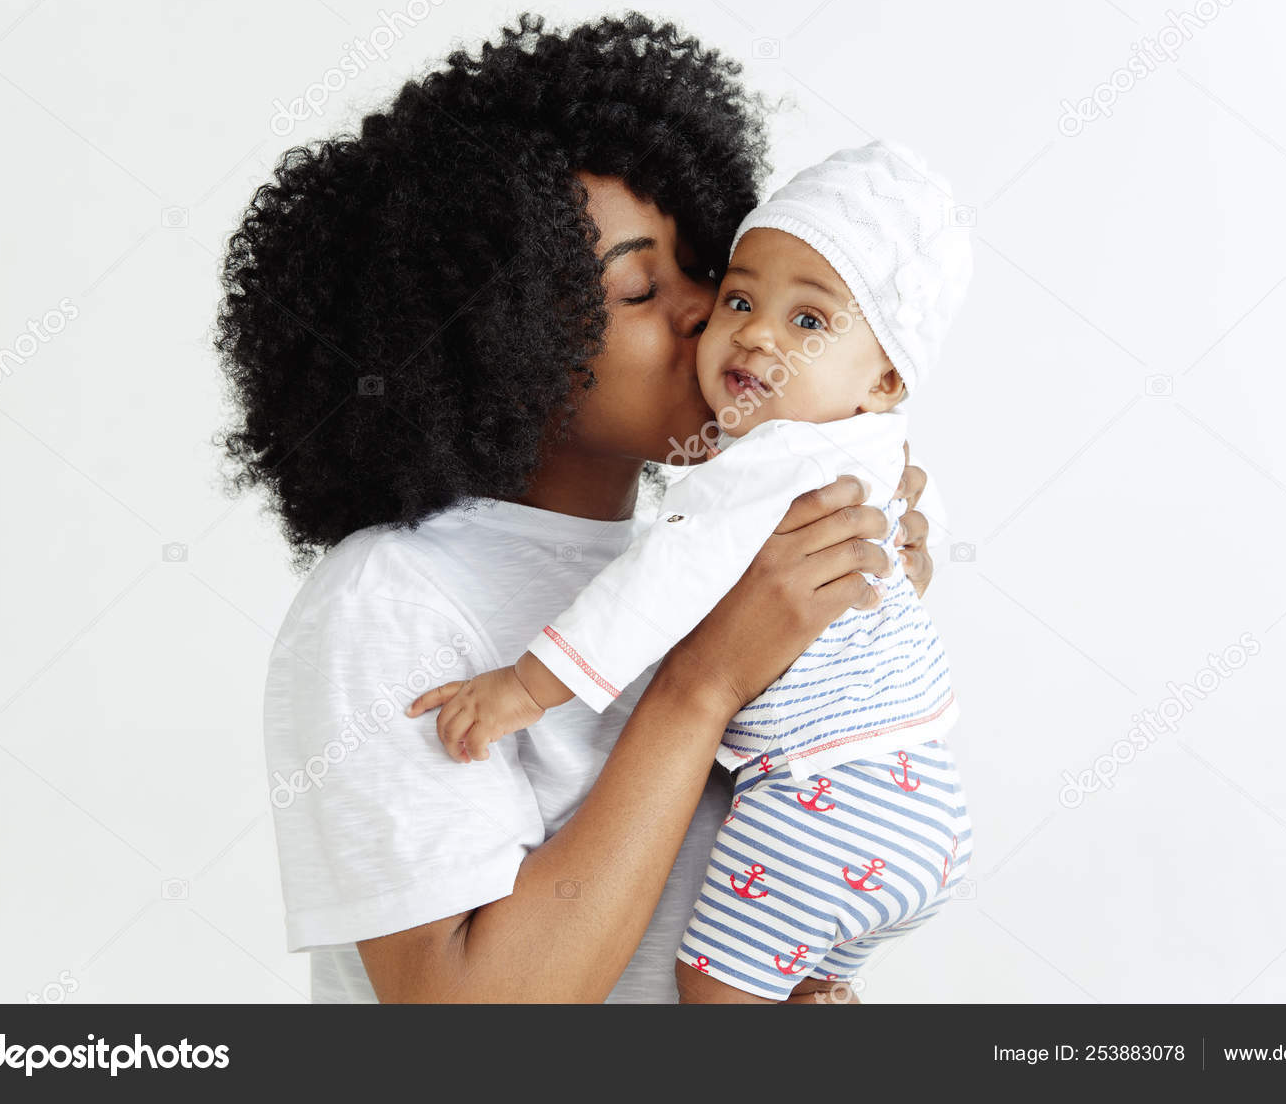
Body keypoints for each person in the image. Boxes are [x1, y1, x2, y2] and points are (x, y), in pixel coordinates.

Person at [218, 13, 941, 1003]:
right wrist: (702, 685)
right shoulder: (393, 602)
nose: (708, 314)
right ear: (494, 339)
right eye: (641, 287)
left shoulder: (703, 559)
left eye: (711, 273)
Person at [405, 141, 975, 1001]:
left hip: (822, 792)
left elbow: (652, 586)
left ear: (887, 376)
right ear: (514, 332)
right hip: (924, 801)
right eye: (740, 297)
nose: (734, 325)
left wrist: (525, 687)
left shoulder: (756, 472)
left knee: (708, 995)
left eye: (807, 321)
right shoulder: (871, 445)